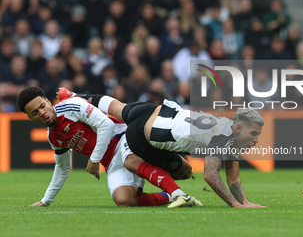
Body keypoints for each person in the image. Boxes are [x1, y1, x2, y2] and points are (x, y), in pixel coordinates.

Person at [58, 88, 266, 208]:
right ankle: (174, 193)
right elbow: (211, 177)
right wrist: (236, 205)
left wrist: (245, 201)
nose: (256, 140)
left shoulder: (227, 128)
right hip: (143, 137)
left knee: (117, 107)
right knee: (185, 172)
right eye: (254, 134)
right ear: (238, 128)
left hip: (156, 109)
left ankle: (75, 95)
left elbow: (233, 177)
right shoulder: (222, 137)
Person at [17, 87, 202, 208]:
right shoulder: (54, 138)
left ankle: (180, 194)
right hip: (111, 161)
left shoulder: (71, 106)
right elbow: (63, 167)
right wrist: (45, 201)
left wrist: (94, 160)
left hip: (124, 137)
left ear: (48, 102)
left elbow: (107, 125)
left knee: (180, 171)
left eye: (42, 106)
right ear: (30, 118)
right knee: (124, 200)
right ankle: (169, 196)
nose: (42, 113)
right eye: (35, 113)